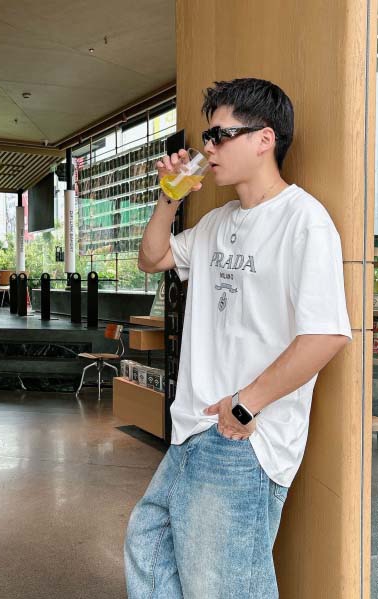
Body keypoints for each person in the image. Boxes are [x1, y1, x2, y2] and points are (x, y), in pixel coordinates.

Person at [124, 78, 352, 599]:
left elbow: (325, 335)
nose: (208, 148)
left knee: (222, 588)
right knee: (148, 547)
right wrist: (169, 197)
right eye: (208, 136)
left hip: (244, 438)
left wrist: (245, 406)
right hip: (193, 427)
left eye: (220, 135)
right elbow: (152, 258)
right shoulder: (216, 222)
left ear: (264, 139)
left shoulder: (304, 220)